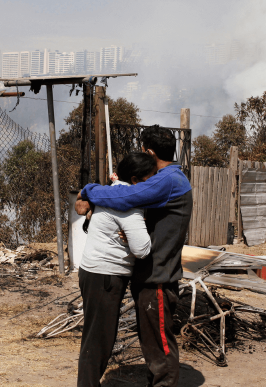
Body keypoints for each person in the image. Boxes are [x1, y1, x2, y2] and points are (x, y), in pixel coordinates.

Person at [76, 125, 193, 387]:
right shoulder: (168, 177)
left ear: (149, 152)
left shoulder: (166, 180)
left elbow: (126, 195)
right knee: (152, 343)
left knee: (159, 346)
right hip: (149, 274)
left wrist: (89, 191)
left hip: (158, 276)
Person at [77, 152, 156, 387]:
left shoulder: (110, 192)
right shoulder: (128, 204)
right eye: (149, 178)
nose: (153, 183)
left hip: (93, 271)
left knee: (95, 335)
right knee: (99, 339)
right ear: (135, 179)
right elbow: (142, 249)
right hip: (106, 275)